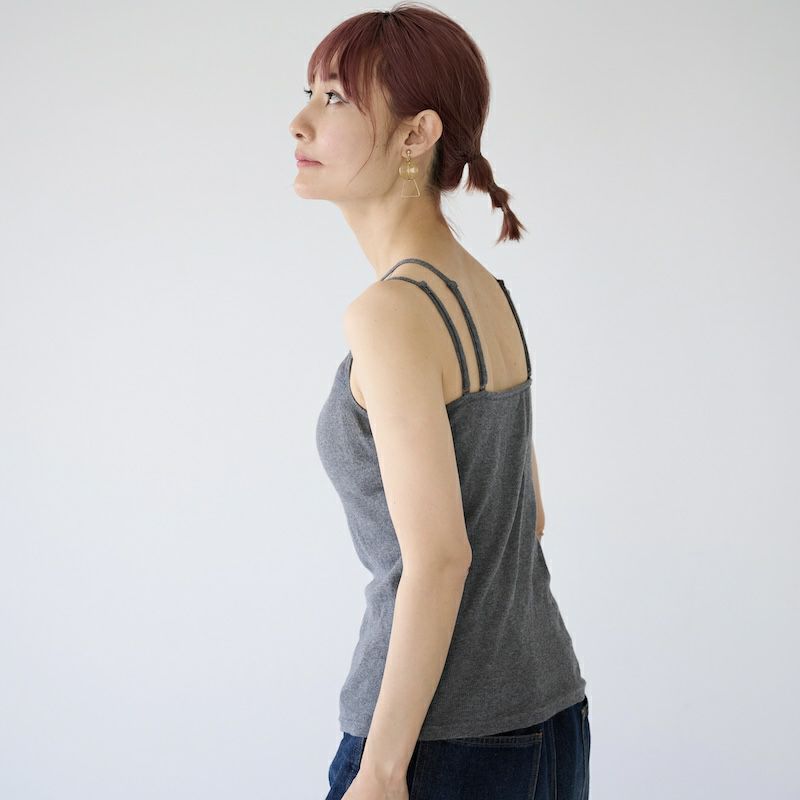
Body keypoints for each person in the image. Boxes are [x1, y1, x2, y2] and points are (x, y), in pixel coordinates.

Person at [289, 4, 590, 798]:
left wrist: (384, 770)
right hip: (551, 715)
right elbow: (527, 516)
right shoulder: (485, 291)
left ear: (417, 134)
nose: (300, 122)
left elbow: (442, 557)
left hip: (440, 743)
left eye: (334, 98)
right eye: (309, 94)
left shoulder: (391, 312)